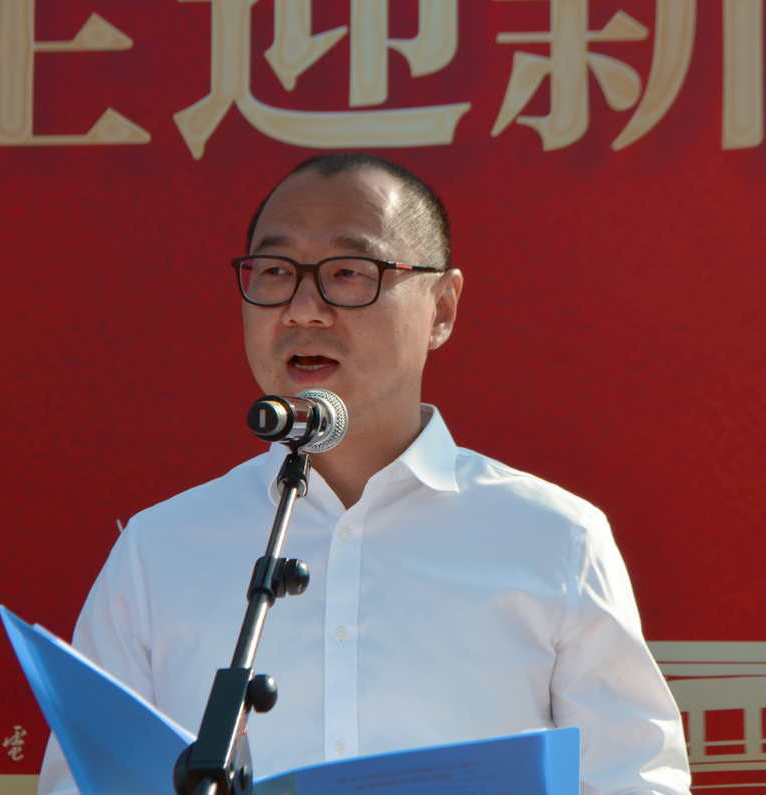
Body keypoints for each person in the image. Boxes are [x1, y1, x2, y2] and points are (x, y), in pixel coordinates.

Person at [38, 153, 691, 795]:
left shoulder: (554, 539)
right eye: (275, 272)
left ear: (441, 308)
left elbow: (636, 781)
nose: (303, 310)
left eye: (348, 273)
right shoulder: (159, 550)